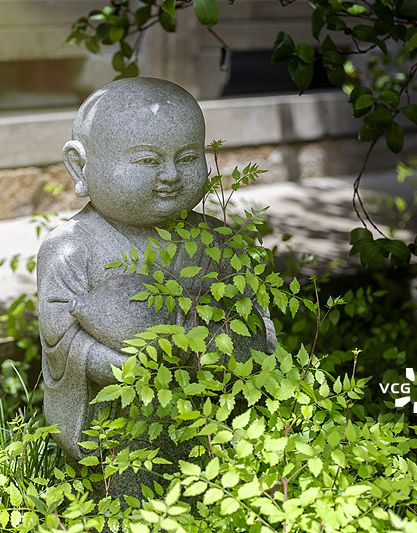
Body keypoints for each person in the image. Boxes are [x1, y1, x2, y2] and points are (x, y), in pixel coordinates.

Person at [37, 77, 275, 464]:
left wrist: (220, 349)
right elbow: (62, 341)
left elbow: (254, 319)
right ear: (81, 166)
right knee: (135, 456)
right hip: (121, 416)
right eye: (148, 160)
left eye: (186, 158)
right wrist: (127, 371)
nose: (170, 175)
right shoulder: (71, 248)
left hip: (211, 400)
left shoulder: (217, 241)